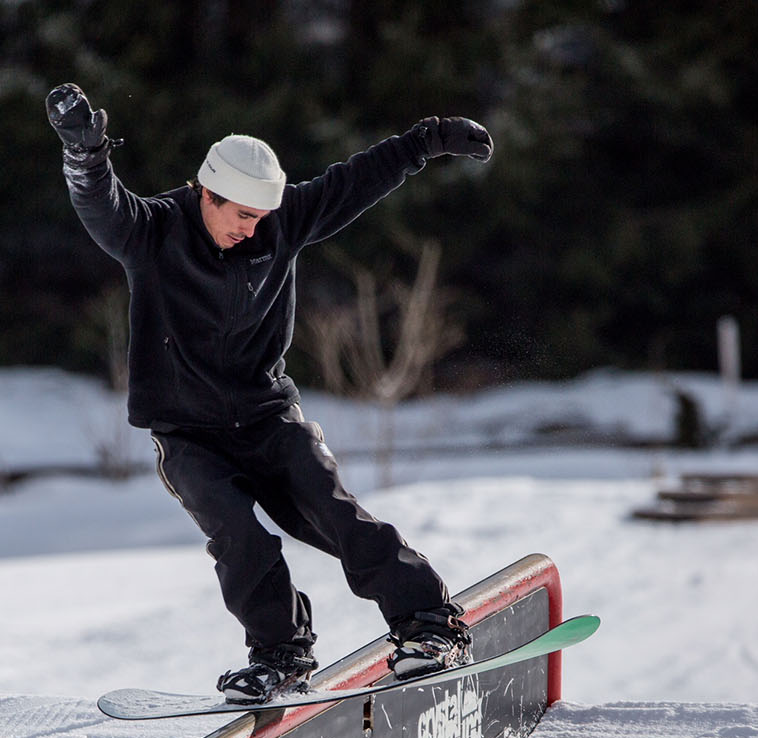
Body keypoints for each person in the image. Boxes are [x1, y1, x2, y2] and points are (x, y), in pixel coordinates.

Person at [46, 82, 493, 704]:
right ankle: (280, 653)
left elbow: (353, 181)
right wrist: (84, 157)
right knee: (237, 536)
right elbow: (102, 206)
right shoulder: (152, 233)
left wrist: (428, 140)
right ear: (207, 194)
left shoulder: (280, 226)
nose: (254, 232)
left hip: (268, 417)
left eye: (262, 219)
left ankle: (429, 624)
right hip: (188, 434)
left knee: (334, 512)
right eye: (242, 217)